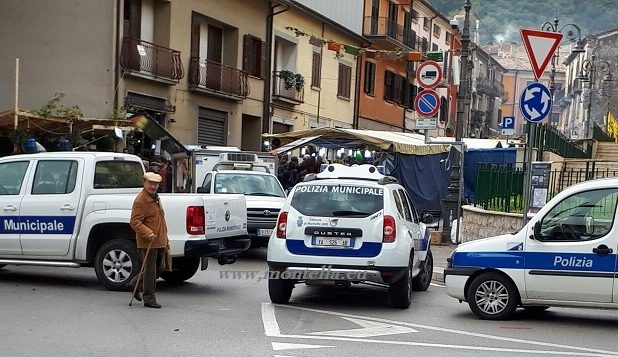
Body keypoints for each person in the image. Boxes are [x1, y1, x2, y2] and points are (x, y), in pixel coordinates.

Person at [129, 172, 171, 308]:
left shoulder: (156, 198)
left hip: (159, 239)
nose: (153, 186)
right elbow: (135, 221)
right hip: (148, 241)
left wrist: (165, 237)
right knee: (151, 271)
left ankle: (136, 282)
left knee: (160, 267)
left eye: (156, 184)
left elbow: (160, 219)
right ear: (144, 183)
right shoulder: (141, 200)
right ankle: (149, 298)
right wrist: (148, 233)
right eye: (150, 183)